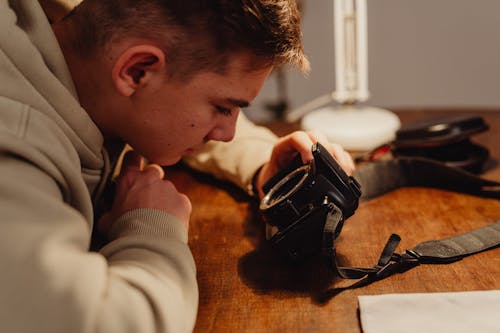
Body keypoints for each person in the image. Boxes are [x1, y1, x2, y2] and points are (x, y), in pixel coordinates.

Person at [0, 1, 355, 332]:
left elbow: (164, 102)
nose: (229, 134)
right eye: (223, 108)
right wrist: (151, 228)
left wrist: (262, 162)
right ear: (136, 71)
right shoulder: (13, 154)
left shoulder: (92, 31)